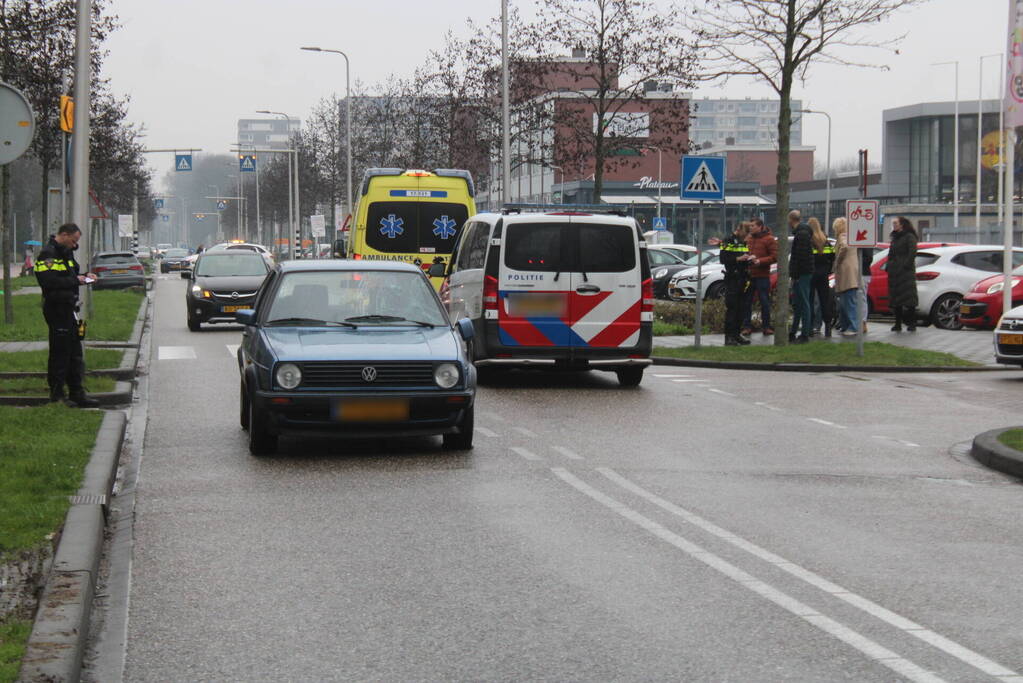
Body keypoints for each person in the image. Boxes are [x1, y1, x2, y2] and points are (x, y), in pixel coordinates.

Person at [34, 223, 99, 407]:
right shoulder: (48, 254)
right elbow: (49, 281)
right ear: (63, 235)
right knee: (60, 353)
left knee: (74, 353)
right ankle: (57, 395)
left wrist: (86, 277)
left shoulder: (65, 253)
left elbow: (70, 276)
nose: (74, 244)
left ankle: (77, 392)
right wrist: (75, 279)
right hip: (57, 308)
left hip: (70, 308)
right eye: (73, 240)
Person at [709, 221, 753, 346]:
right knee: (732, 308)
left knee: (742, 308)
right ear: (739, 230)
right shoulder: (727, 241)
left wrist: (750, 259)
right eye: (746, 233)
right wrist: (738, 259)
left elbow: (744, 255)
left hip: (743, 278)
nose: (747, 236)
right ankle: (729, 337)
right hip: (732, 278)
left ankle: (737, 335)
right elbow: (723, 259)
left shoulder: (743, 241)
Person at [743, 217, 778, 336]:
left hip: (762, 275)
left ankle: (766, 327)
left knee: (764, 302)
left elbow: (774, 256)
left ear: (760, 226)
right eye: (750, 226)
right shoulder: (748, 238)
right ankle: (747, 327)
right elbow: (743, 251)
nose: (750, 228)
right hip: (749, 275)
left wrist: (760, 261)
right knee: (747, 302)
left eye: (753, 226)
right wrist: (746, 258)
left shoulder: (769, 239)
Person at [887, 216, 919, 332]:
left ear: (902, 224)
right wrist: (889, 266)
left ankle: (912, 323)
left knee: (909, 299)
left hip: (906, 273)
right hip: (894, 272)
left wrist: (905, 265)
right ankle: (897, 324)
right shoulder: (895, 238)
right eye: (893, 223)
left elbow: (912, 252)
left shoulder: (909, 236)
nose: (894, 225)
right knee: (896, 300)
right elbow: (890, 253)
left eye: (896, 223)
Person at [787, 210, 813, 343]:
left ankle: (804, 334)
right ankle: (794, 331)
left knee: (803, 302)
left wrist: (795, 274)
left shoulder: (801, 234)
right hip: (801, 273)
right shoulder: (803, 232)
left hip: (801, 274)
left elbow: (800, 257)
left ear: (791, 219)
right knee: (798, 303)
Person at [832, 217, 860, 337]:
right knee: (846, 301)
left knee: (848, 302)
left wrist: (837, 261)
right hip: (851, 273)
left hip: (846, 273)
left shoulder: (843, 236)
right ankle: (845, 325)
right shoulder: (851, 236)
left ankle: (852, 327)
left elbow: (844, 247)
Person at [808, 217, 835, 337]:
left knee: (810, 301)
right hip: (823, 275)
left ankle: (810, 327)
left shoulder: (809, 241)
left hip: (811, 274)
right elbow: (832, 257)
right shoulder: (826, 241)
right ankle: (828, 328)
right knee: (825, 301)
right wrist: (828, 270)